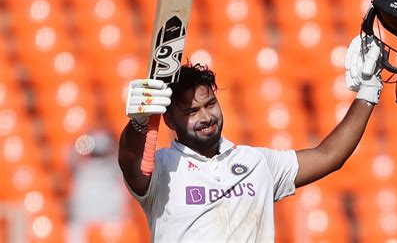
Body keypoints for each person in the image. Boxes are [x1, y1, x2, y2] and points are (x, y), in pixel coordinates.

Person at [118, 33, 383, 242]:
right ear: (169, 119)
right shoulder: (163, 168)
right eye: (191, 112)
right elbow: (129, 158)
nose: (206, 117)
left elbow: (329, 156)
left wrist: (367, 93)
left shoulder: (256, 162)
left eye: (210, 104)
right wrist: (139, 124)